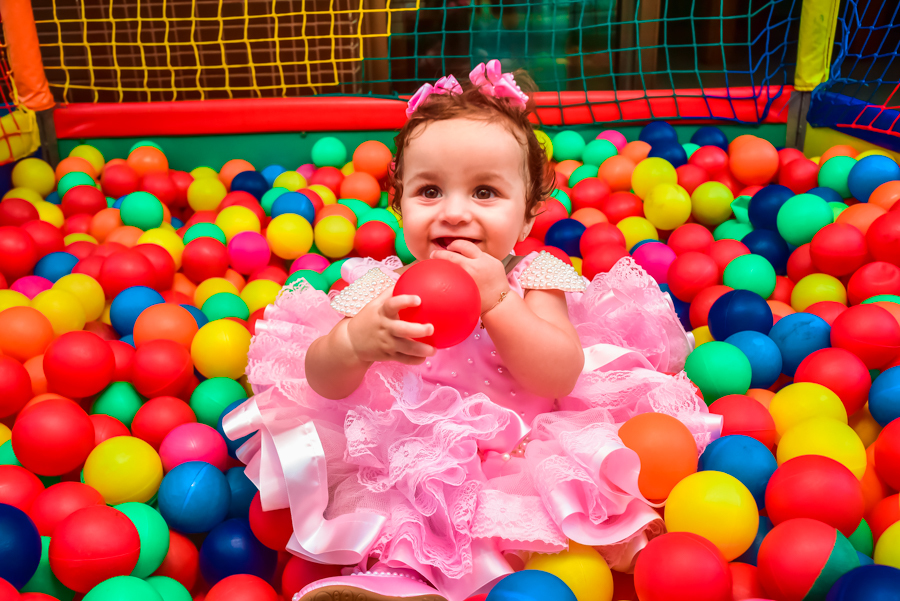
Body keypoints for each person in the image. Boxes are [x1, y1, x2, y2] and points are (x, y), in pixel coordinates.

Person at [224, 60, 721, 601]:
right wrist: (354, 343)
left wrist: (498, 301)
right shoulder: (382, 285)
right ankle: (397, 582)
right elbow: (321, 378)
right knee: (408, 494)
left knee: (528, 523)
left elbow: (558, 372)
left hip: (517, 453)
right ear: (398, 203)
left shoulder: (534, 280)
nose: (455, 213)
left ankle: (493, 580)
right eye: (430, 191)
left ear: (528, 216)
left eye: (485, 193)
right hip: (413, 450)